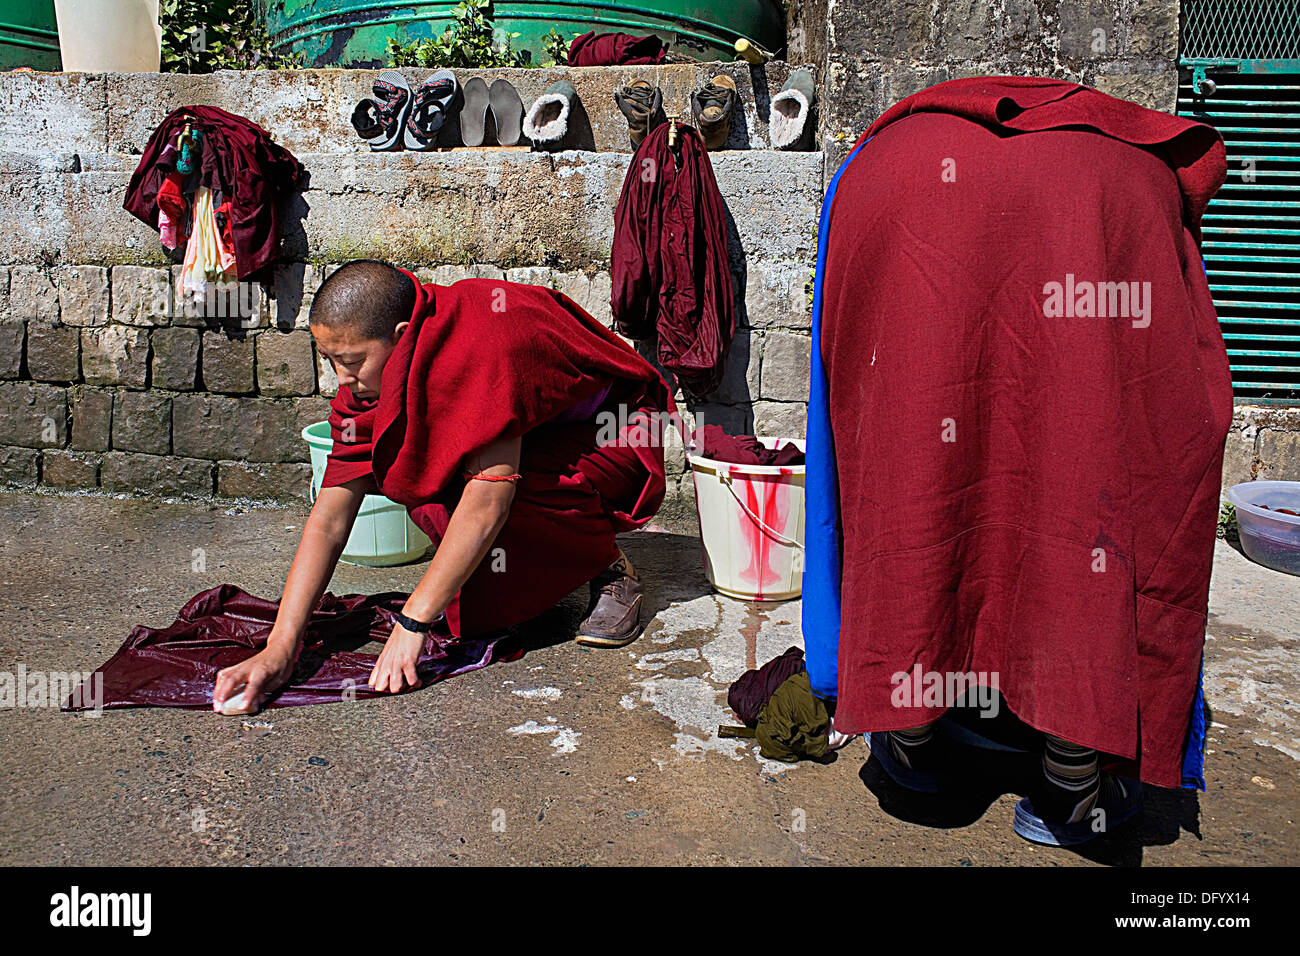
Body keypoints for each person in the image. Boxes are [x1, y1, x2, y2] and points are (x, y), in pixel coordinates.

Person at [802, 77, 1230, 846]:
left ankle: (914, 745)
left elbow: (841, 381)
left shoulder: (883, 154)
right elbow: (1181, 410)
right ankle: (1072, 776)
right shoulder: (1135, 170)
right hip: (1098, 212)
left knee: (906, 469)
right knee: (1083, 475)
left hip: (896, 194)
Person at [213, 260, 677, 714]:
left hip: (617, 435)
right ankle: (542, 572)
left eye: (351, 362)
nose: (342, 380)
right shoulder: (380, 372)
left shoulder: (482, 341)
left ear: (399, 338)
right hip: (537, 434)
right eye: (330, 360)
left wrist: (414, 620)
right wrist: (280, 645)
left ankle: (610, 567)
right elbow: (331, 515)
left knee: (491, 490)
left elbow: (490, 496)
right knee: (427, 480)